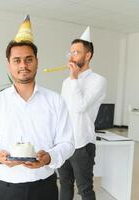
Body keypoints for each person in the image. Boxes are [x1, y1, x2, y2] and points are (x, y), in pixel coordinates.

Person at [0, 15, 75, 200]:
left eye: (29, 59)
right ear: (9, 65)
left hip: (43, 189)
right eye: (17, 60)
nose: (23, 65)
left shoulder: (55, 101)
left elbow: (67, 143)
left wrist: (50, 157)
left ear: (37, 61)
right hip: (3, 189)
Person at [58, 27, 107, 200]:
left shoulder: (98, 81)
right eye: (70, 52)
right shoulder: (67, 82)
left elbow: (80, 106)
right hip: (65, 142)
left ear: (88, 56)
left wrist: (74, 77)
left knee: (85, 189)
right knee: (64, 183)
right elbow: (63, 111)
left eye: (76, 52)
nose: (72, 56)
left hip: (82, 143)